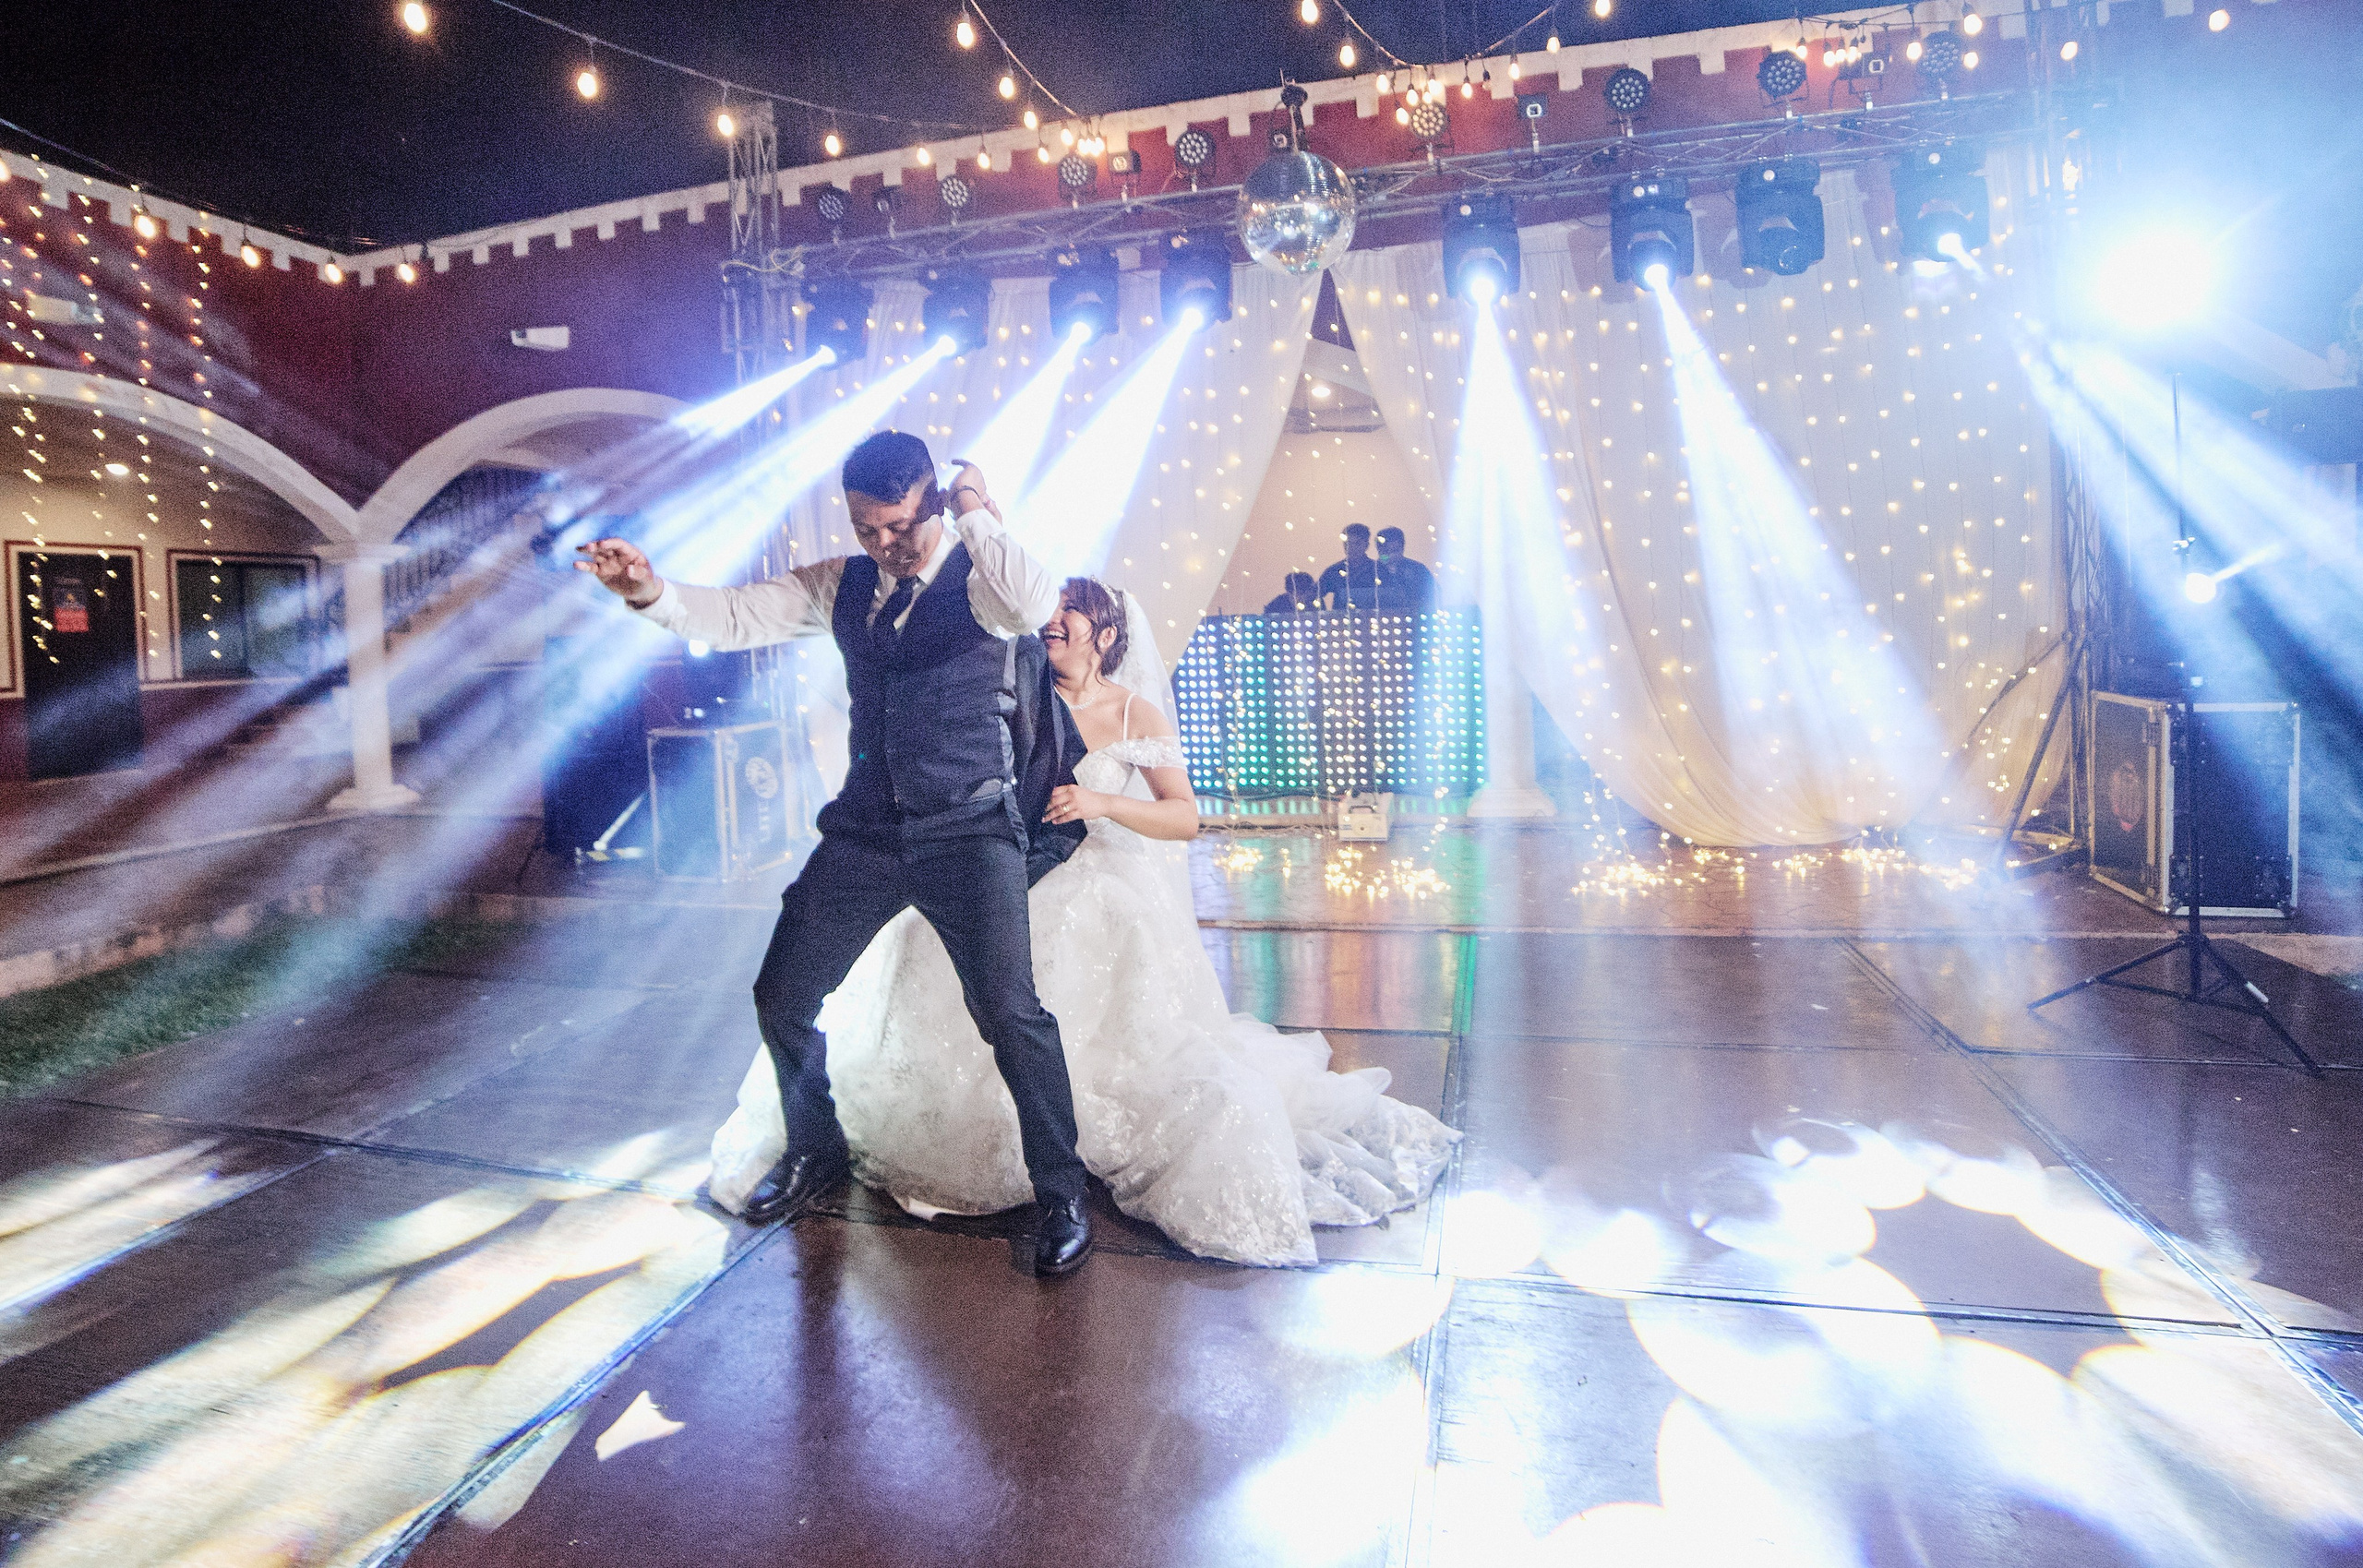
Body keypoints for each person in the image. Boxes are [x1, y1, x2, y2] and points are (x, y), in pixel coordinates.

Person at [708, 577, 1459, 1266]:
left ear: (1105, 635)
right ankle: (861, 1136)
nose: (1055, 621)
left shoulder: (1134, 712)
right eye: (1054, 609)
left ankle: (1062, 1172)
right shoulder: (1013, 678)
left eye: (1073, 613)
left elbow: (1185, 816)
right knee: (908, 953)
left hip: (1097, 876)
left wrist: (1104, 803)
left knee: (1055, 983)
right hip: (998, 863)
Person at [575, 432, 1096, 1277]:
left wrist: (974, 513)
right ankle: (818, 1149)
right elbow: (738, 615)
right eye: (866, 528)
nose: (884, 545)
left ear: (932, 503)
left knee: (1010, 1012)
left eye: (899, 526)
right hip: (866, 833)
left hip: (968, 831)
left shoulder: (987, 580)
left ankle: (1061, 1189)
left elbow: (1036, 602)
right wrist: (648, 589)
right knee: (780, 994)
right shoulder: (841, 583)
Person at [1315, 523, 1380, 610]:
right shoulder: (1334, 571)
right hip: (1342, 621)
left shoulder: (1378, 570)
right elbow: (1314, 594)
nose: (1352, 548)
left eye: (1357, 543)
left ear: (1366, 545)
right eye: (1348, 543)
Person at [1373, 526, 1438, 613]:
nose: (1391, 555)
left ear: (1402, 547)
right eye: (1386, 551)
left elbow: (1434, 595)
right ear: (1378, 548)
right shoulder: (1370, 571)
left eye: (1395, 551)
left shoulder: (1418, 570)